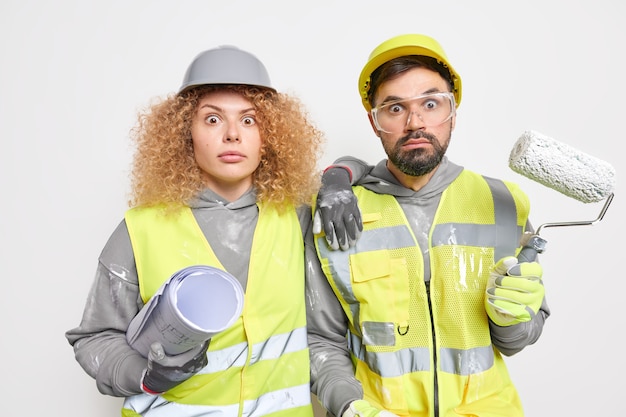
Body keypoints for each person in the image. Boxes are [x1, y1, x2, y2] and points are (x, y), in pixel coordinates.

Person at [66, 45, 329, 417]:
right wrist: (144, 375)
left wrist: (339, 178)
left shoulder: (298, 218)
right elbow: (94, 338)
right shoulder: (140, 230)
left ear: (270, 135)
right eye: (212, 119)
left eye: (249, 120)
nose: (233, 135)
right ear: (184, 132)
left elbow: (381, 175)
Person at [306, 34, 550, 417]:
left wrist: (512, 318)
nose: (415, 122)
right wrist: (348, 405)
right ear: (374, 123)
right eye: (394, 108)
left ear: (453, 112)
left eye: (431, 103)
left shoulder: (502, 203)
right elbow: (320, 339)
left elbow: (519, 339)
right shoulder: (338, 212)